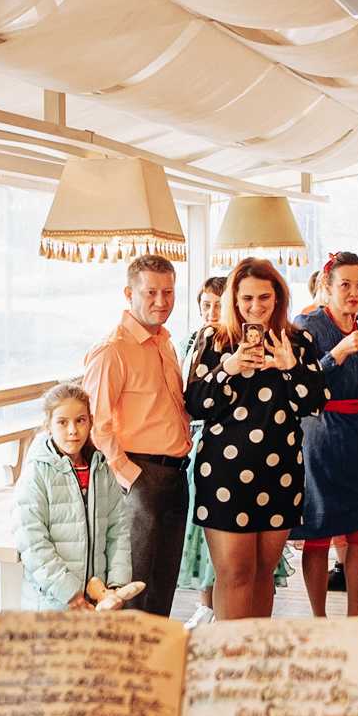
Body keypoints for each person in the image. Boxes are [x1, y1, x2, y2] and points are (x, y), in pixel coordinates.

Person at [183, 258, 325, 620]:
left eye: (264, 297)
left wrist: (291, 368)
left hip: (281, 470)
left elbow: (315, 403)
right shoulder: (213, 339)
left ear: (278, 297)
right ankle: (230, 652)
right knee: (234, 573)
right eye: (247, 298)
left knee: (264, 573)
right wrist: (228, 368)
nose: (256, 306)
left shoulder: (298, 341)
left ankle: (255, 651)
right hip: (225, 473)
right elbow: (195, 404)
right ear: (234, 299)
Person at [84, 254, 191, 618]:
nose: (161, 301)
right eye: (150, 292)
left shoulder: (165, 343)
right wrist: (130, 476)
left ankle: (158, 653)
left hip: (175, 475)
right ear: (129, 294)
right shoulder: (112, 348)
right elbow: (96, 423)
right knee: (131, 589)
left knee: (163, 585)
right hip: (139, 476)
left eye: (168, 292)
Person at [293, 253, 358, 619]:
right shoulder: (308, 325)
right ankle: (319, 619)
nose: (354, 292)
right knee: (318, 530)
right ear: (326, 287)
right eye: (345, 284)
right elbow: (299, 382)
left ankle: (355, 619)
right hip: (321, 433)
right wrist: (338, 352)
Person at [12, 383, 133, 611]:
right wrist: (68, 591)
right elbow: (31, 541)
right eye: (62, 422)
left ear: (91, 422)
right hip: (50, 605)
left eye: (80, 420)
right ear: (48, 426)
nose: (73, 430)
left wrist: (116, 586)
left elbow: (118, 531)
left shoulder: (101, 470)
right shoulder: (36, 474)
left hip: (96, 602)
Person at [177, 278, 226, 625]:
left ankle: (225, 606)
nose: (212, 312)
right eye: (206, 305)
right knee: (198, 525)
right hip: (194, 437)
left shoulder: (237, 342)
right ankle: (205, 604)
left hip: (225, 436)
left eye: (218, 305)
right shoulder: (190, 342)